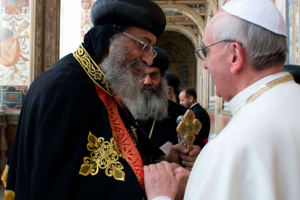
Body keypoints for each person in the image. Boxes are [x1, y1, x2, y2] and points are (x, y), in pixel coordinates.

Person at [1, 0, 167, 199]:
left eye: (151, 49)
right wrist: (153, 190)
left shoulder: (100, 82)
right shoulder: (64, 88)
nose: (148, 59)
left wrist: (158, 160)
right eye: (143, 45)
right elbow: (55, 188)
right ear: (111, 36)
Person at [144, 0, 300, 200]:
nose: (206, 65)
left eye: (207, 52)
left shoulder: (233, 145)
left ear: (234, 55)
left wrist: (161, 195)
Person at [130, 46, 202, 166]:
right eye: (141, 75)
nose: (147, 81)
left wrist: (194, 157)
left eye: (154, 75)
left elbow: (195, 154)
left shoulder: (181, 114)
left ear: (162, 80)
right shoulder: (117, 109)